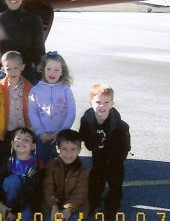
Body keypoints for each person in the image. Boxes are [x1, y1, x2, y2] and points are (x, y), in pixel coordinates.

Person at [79, 84, 131, 217]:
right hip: (99, 156)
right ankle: (93, 203)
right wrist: (88, 145)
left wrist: (119, 158)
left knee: (115, 181)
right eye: (98, 102)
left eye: (106, 102)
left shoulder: (118, 125)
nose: (102, 106)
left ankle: (112, 206)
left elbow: (125, 144)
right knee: (95, 180)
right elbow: (83, 135)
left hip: (115, 157)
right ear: (91, 103)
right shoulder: (87, 119)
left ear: (112, 104)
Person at [0, 51, 33, 185]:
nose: (12, 71)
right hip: (5, 131)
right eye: (8, 69)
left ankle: (22, 187)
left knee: (22, 160)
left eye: (16, 68)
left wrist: (32, 128)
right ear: (3, 69)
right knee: (2, 161)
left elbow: (33, 110)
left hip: (23, 131)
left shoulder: (29, 87)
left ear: (22, 67)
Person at [28, 51, 76, 164]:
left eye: (56, 70)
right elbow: (32, 113)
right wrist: (40, 132)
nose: (52, 73)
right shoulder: (35, 90)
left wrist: (62, 131)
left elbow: (71, 113)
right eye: (49, 69)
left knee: (59, 165)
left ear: (62, 72)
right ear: (43, 69)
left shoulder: (66, 90)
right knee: (42, 164)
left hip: (61, 136)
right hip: (42, 137)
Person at [0, 128, 42, 221]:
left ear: (33, 146)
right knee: (13, 181)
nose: (21, 141)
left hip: (25, 201)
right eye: (18, 138)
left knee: (25, 217)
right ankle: (7, 210)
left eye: (26, 139)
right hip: (8, 201)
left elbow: (30, 190)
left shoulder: (36, 164)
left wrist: (15, 210)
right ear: (12, 144)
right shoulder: (8, 161)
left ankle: (10, 213)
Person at [42, 129, 89, 221]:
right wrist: (54, 205)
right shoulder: (51, 165)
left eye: (73, 149)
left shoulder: (82, 170)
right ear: (57, 149)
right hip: (52, 204)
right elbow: (48, 187)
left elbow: (80, 193)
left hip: (75, 207)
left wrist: (68, 209)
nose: (68, 153)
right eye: (64, 149)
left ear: (79, 150)